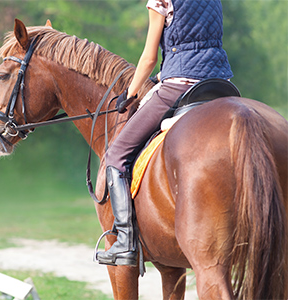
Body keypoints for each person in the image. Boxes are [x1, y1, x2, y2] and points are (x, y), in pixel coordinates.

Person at [96, 0, 233, 266]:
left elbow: (148, 58)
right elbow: (200, 45)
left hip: (180, 85)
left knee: (115, 155)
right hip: (221, 83)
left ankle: (124, 241)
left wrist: (130, 94)